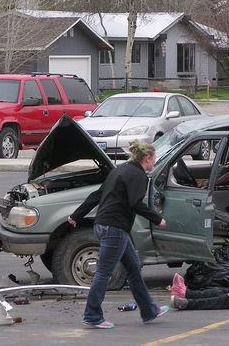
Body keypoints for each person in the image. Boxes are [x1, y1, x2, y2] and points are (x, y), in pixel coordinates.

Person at [67, 141, 169, 329]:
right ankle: (92, 315)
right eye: (154, 159)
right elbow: (135, 203)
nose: (154, 162)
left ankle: (149, 310)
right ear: (147, 159)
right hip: (114, 228)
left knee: (133, 268)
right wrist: (157, 219)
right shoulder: (139, 176)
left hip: (103, 224)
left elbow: (97, 194)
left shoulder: (120, 170)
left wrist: (76, 215)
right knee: (104, 272)